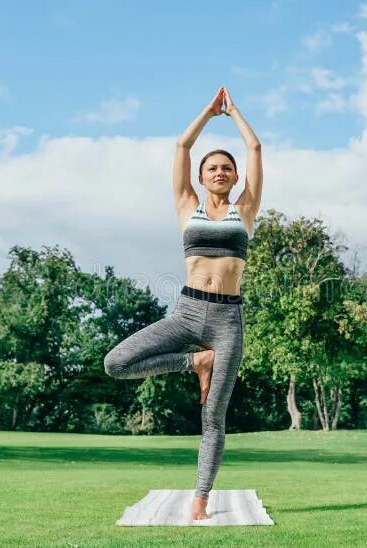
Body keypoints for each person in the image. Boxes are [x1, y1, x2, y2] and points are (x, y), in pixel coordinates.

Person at [103, 86, 263, 521]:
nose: (219, 172)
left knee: (214, 417)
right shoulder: (185, 205)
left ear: (234, 177)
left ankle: (201, 498)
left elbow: (255, 146)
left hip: (228, 321)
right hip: (188, 312)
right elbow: (181, 145)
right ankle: (194, 363)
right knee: (116, 363)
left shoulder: (244, 211)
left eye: (226, 168)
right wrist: (210, 113)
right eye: (212, 167)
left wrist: (236, 114)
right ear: (201, 175)